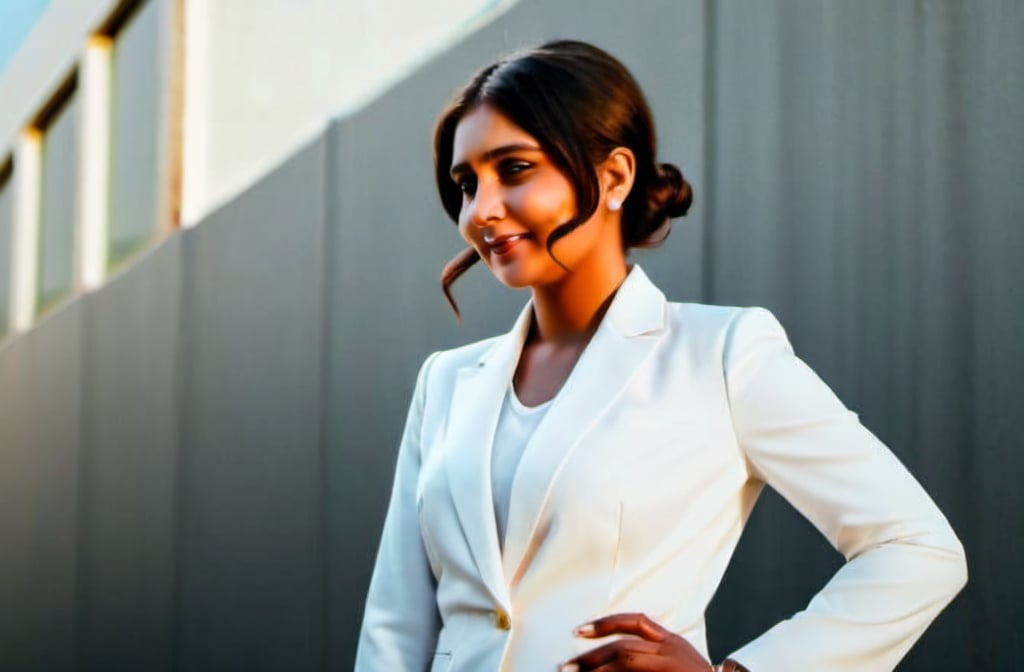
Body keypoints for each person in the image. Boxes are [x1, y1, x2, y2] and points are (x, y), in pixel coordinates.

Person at [354, 40, 967, 672]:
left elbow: (917, 547)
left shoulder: (723, 357)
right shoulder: (446, 382)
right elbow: (396, 627)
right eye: (465, 183)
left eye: (512, 170)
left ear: (614, 176)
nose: (479, 210)